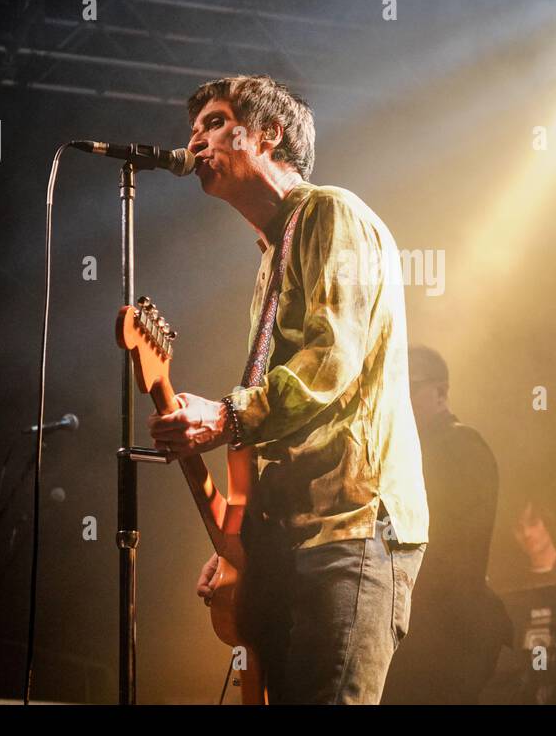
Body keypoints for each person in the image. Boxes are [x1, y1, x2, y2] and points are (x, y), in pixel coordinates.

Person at [147, 74, 428, 704]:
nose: (195, 139)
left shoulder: (331, 212)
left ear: (270, 133)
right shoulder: (271, 256)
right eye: (194, 129)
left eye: (215, 123)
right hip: (295, 534)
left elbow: (334, 358)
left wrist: (226, 414)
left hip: (352, 525)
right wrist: (244, 547)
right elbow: (281, 429)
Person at [380, 346, 512, 704]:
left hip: (450, 635)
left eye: (410, 388)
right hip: (423, 633)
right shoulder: (407, 453)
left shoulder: (461, 445)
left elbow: (457, 550)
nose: (398, 400)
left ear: (440, 392)